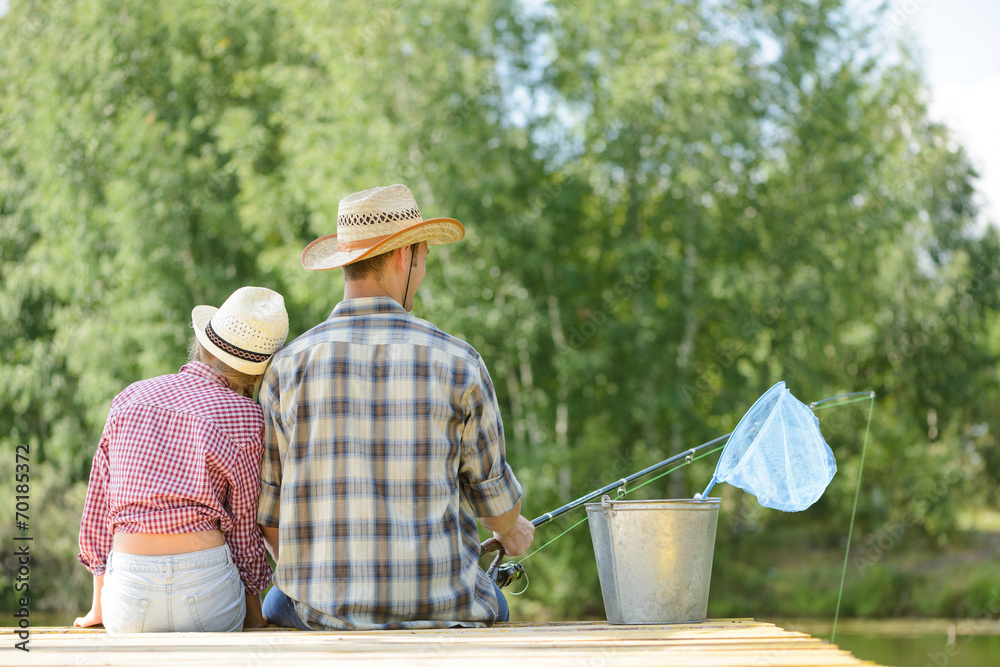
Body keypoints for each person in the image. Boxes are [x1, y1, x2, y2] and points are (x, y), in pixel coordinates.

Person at [258, 184, 534, 630]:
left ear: (346, 262)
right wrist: (510, 529)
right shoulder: (460, 362)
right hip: (447, 608)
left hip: (324, 615)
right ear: (405, 256)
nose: (422, 270)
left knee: (276, 603)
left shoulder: (287, 368)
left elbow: (271, 521)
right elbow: (498, 511)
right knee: (496, 602)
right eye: (423, 257)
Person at [75, 286, 289, 632]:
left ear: (203, 345)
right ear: (257, 373)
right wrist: (253, 611)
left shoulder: (129, 398)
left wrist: (99, 605)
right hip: (207, 592)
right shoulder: (248, 417)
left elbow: (98, 508)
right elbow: (245, 527)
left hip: (127, 598)